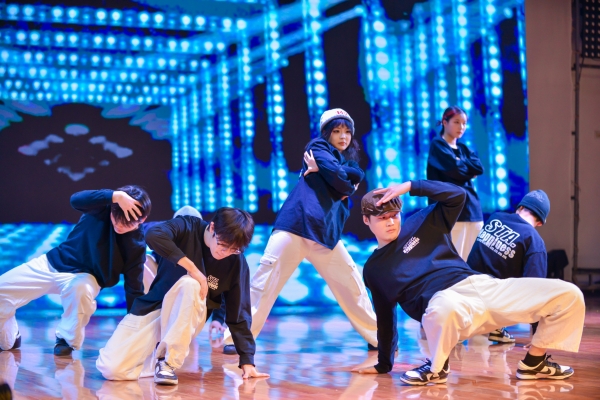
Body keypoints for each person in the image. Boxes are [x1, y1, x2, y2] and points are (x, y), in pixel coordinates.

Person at [353, 180, 584, 385]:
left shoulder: (421, 223)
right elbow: (386, 318)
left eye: (394, 215)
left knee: (568, 294)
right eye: (382, 218)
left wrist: (412, 186)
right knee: (442, 306)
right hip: (447, 306)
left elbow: (457, 195)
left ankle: (534, 362)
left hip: (481, 286)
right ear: (366, 220)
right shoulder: (374, 269)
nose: (390, 222)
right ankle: (437, 368)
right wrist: (383, 364)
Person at [221, 108, 378, 354]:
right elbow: (343, 182)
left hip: (325, 234)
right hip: (295, 226)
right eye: (337, 131)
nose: (343, 136)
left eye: (347, 132)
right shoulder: (317, 147)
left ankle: (379, 338)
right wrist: (341, 178)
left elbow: (350, 178)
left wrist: (332, 173)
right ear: (326, 133)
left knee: (352, 284)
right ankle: (236, 339)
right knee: (264, 283)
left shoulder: (348, 164)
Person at [96, 207, 269, 385]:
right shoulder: (187, 226)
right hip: (152, 308)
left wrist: (247, 360)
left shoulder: (236, 262)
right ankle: (154, 359)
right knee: (111, 369)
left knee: (190, 285)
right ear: (212, 227)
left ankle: (167, 362)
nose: (225, 253)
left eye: (234, 250)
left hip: (187, 317)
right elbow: (153, 235)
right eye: (223, 245)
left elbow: (239, 315)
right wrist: (193, 269)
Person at [0, 186, 150, 356]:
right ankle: (11, 337)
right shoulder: (101, 207)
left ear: (142, 219)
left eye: (128, 223)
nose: (120, 225)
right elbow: (76, 200)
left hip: (87, 277)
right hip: (53, 263)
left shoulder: (136, 247)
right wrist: (115, 195)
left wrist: (134, 328)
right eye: (117, 218)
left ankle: (66, 340)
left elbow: (133, 288)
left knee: (80, 289)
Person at [467, 189, 551, 343]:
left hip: (465, 288)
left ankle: (489, 326)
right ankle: (494, 323)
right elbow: (535, 288)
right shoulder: (535, 241)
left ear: (520, 207)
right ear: (540, 222)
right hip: (494, 301)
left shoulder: (495, 217)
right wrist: (537, 338)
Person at [427, 106, 484, 260]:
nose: (461, 127)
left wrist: (460, 162)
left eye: (464, 123)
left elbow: (479, 168)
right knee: (453, 260)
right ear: (445, 122)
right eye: (457, 122)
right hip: (451, 212)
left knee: (473, 260)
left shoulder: (463, 148)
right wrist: (467, 169)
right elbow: (456, 171)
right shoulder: (438, 145)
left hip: (473, 210)